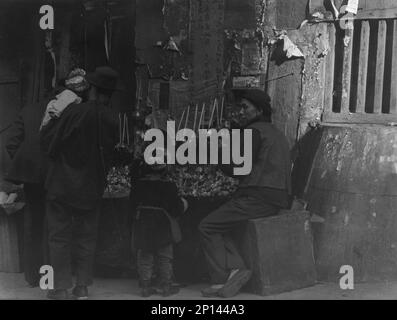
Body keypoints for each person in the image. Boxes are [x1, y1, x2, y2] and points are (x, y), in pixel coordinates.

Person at [199, 89, 292, 298]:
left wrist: (216, 152)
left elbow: (238, 168)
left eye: (245, 107)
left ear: (259, 110)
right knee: (223, 223)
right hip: (275, 196)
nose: (240, 112)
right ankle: (235, 268)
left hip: (258, 197)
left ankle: (222, 279)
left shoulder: (254, 131)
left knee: (206, 226)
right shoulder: (275, 133)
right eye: (239, 107)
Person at [40, 66, 120, 300]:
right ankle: (82, 287)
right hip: (92, 186)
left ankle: (61, 288)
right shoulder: (112, 118)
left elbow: (48, 143)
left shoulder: (74, 112)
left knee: (59, 237)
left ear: (91, 88)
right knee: (87, 237)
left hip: (62, 184)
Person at [5, 69, 90, 288]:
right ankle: (51, 277)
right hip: (56, 174)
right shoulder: (72, 110)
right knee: (56, 225)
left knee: (33, 222)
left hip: (32, 176)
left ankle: (34, 275)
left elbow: (11, 143)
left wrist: (27, 166)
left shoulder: (29, 109)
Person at [130, 151, 188, 297]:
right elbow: (176, 210)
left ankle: (145, 286)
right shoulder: (169, 186)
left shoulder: (138, 185)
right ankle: (166, 286)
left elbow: (131, 206)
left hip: (143, 226)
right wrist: (184, 204)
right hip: (163, 227)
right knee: (165, 256)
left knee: (144, 256)